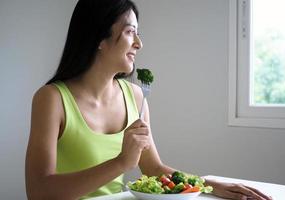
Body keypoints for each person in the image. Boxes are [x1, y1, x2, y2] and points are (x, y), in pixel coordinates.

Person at [25, 0, 272, 199]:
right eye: (130, 32)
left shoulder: (135, 96)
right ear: (99, 39)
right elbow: (38, 191)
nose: (139, 43)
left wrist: (207, 185)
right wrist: (121, 162)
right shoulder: (52, 99)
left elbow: (153, 169)